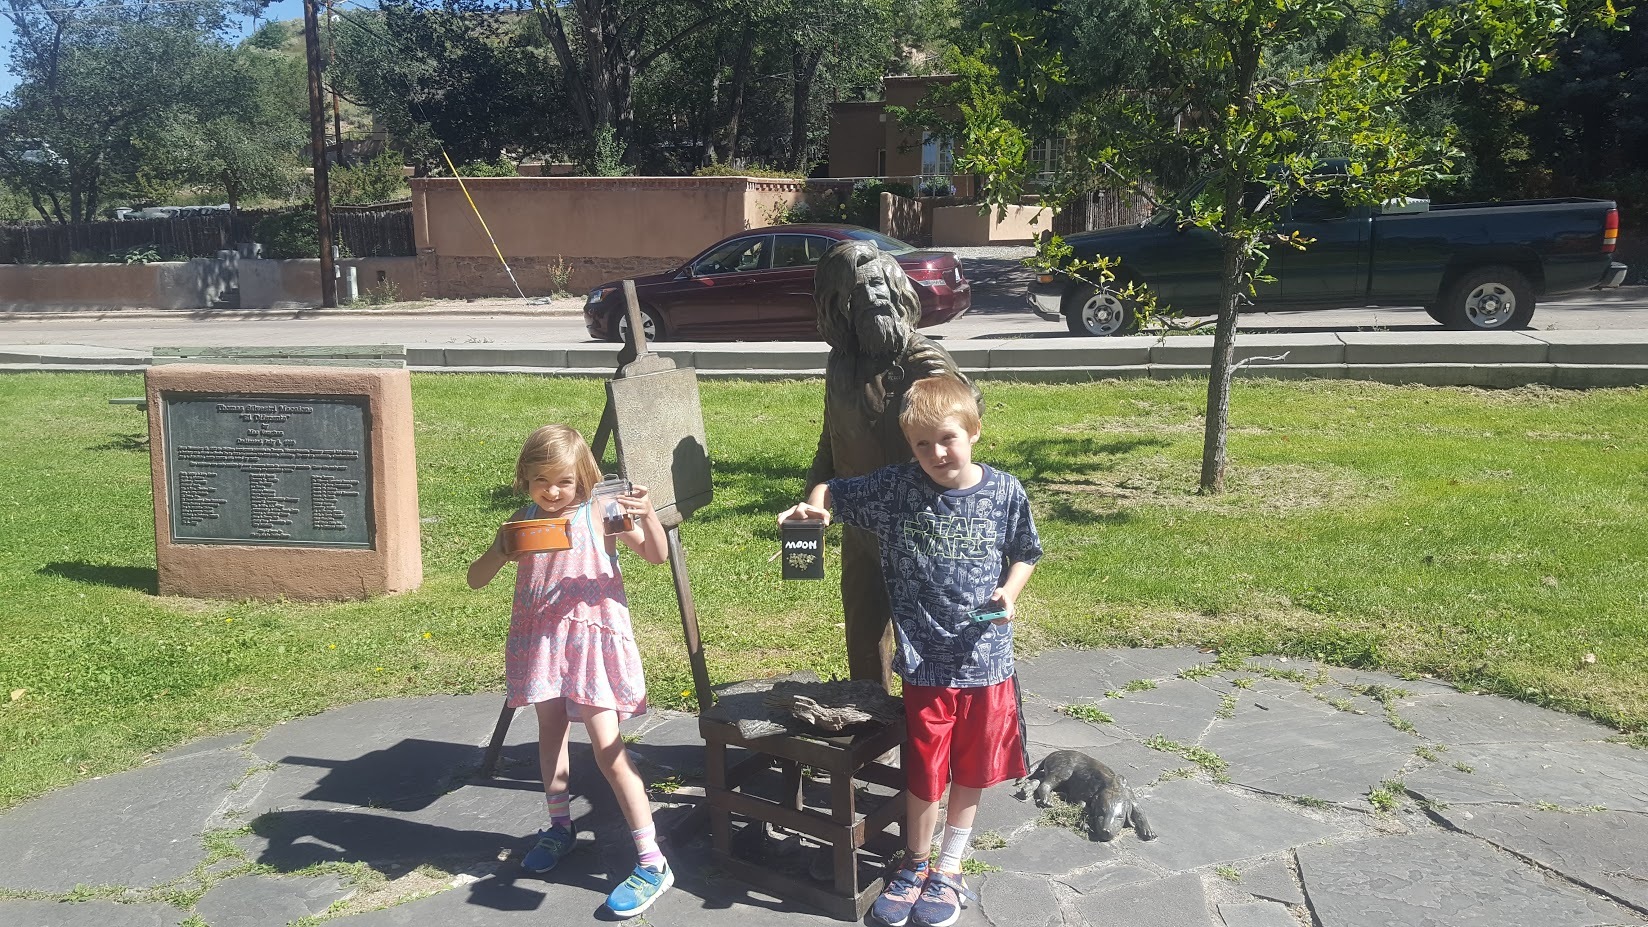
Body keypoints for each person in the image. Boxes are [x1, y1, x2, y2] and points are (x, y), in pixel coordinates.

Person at [779, 376, 1041, 927]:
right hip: (924, 665)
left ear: (974, 431)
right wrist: (816, 510)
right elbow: (831, 488)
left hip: (985, 661)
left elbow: (1026, 551)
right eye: (922, 445)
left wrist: (1009, 592)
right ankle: (916, 862)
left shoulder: (1005, 491)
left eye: (947, 439)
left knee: (970, 770)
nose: (936, 453)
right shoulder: (897, 489)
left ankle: (949, 866)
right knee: (925, 770)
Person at [468, 424, 673, 918]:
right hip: (543, 642)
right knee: (550, 734)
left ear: (583, 477)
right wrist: (500, 550)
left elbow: (656, 555)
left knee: (608, 749)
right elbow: (475, 579)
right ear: (525, 477)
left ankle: (653, 862)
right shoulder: (522, 522)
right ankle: (560, 827)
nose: (553, 491)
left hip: (590, 644)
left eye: (563, 481)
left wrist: (647, 516)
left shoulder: (601, 511)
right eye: (541, 480)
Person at [807, 238, 978, 691]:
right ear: (839, 306)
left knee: (925, 633)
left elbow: (963, 414)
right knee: (863, 630)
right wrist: (812, 499)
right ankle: (871, 712)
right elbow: (831, 438)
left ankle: (930, 717)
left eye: (878, 287)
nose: (873, 298)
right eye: (859, 293)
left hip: (916, 523)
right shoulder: (841, 365)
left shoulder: (920, 358)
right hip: (860, 521)